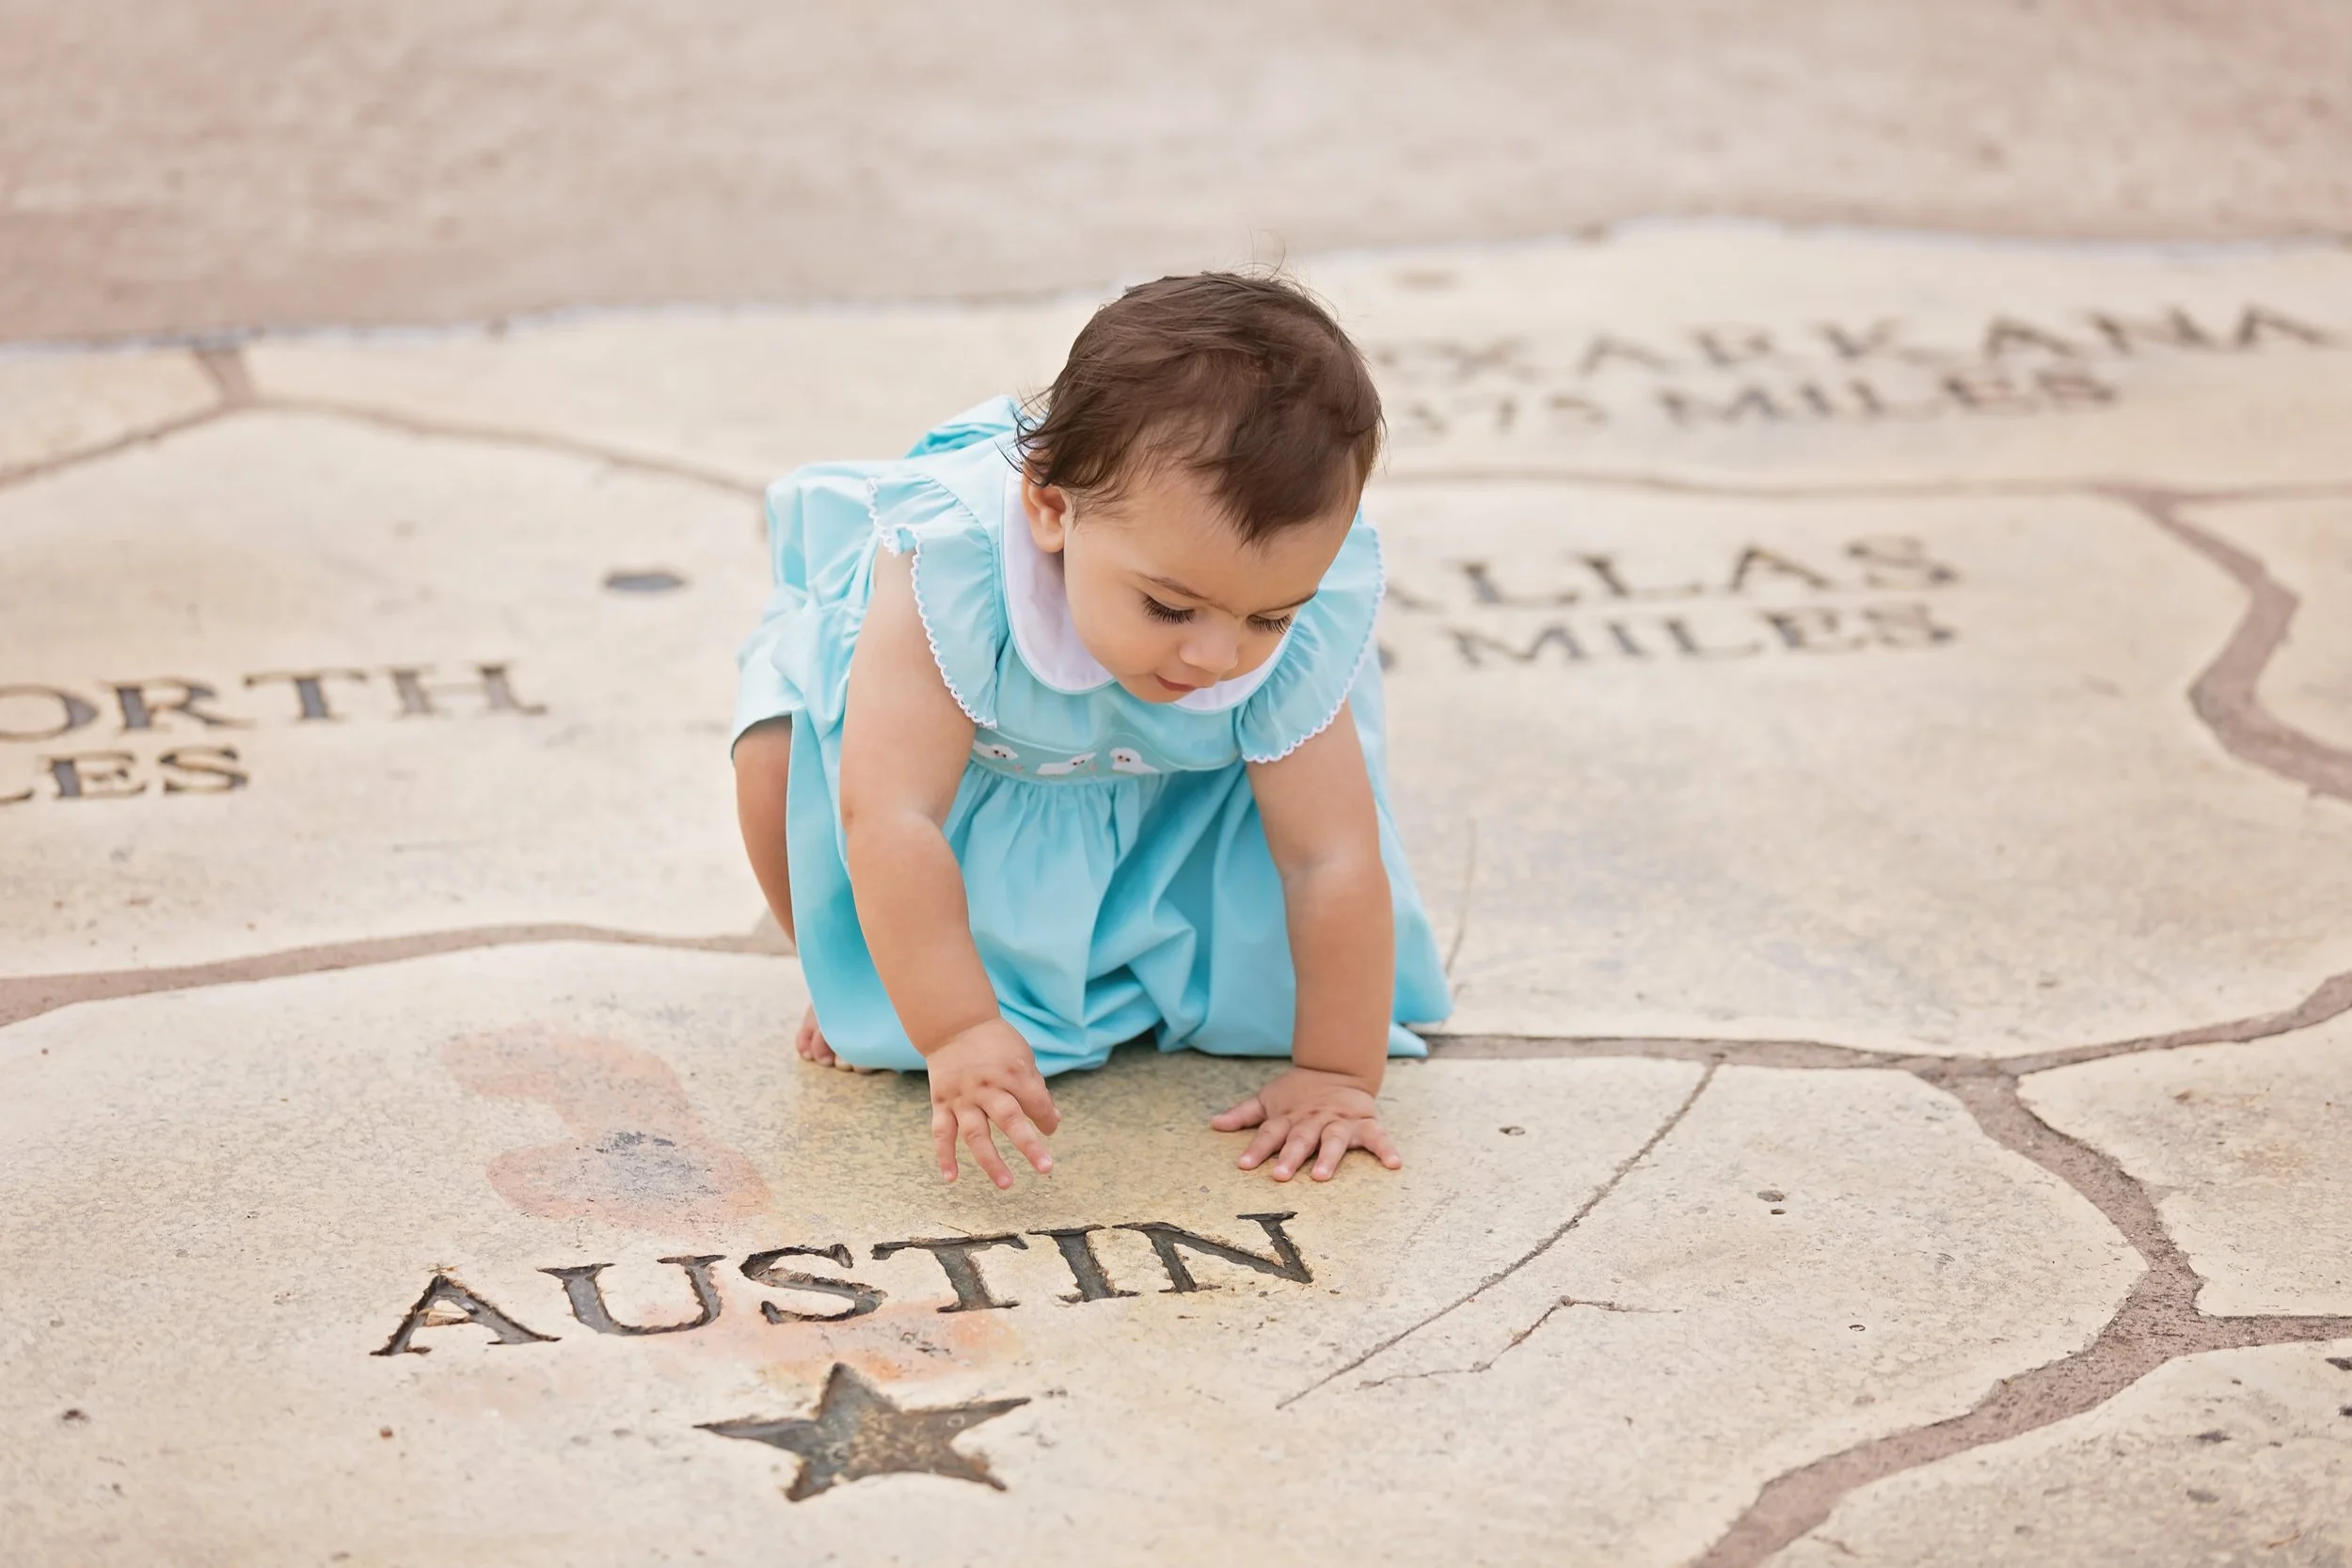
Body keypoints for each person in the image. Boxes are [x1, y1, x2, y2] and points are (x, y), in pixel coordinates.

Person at [730, 272, 1450, 1192]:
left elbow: (1330, 859)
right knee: (772, 748)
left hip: (1163, 805)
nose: (1218, 653)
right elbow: (891, 816)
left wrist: (1338, 1075)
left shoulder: (1263, 608)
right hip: (939, 801)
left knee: (1304, 806)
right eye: (1169, 605)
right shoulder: (954, 566)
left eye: (1267, 618)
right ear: (1051, 508)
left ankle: (1112, 967)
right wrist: (956, 1030)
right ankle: (861, 978)